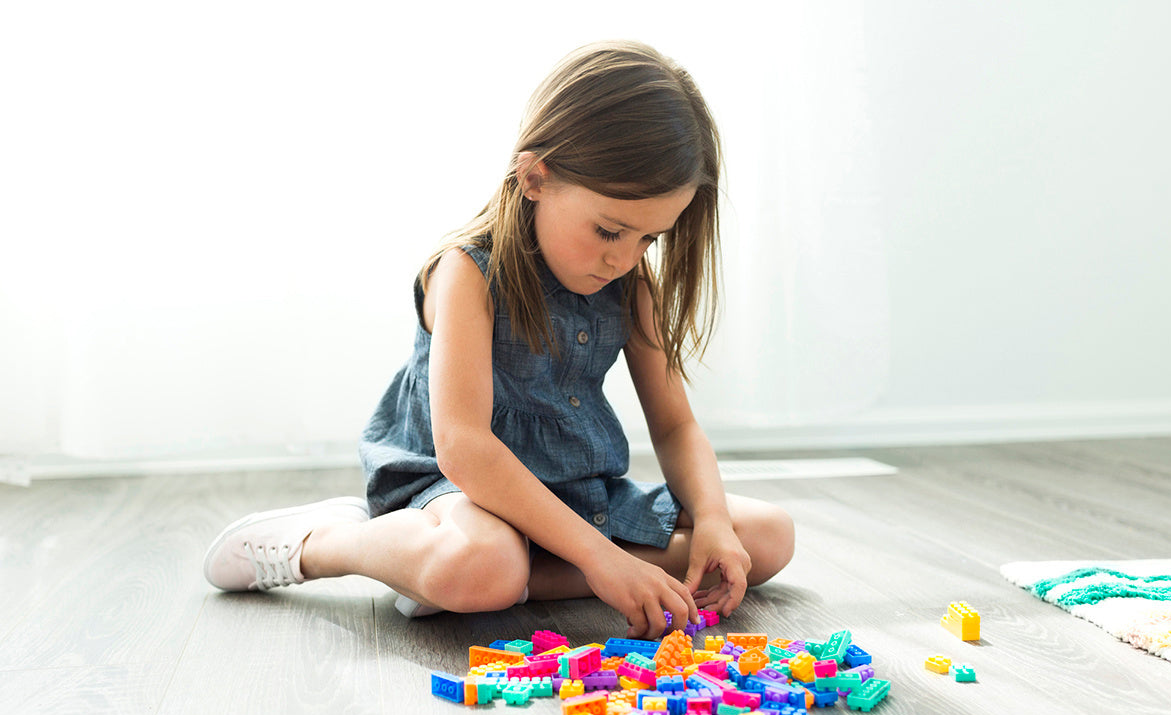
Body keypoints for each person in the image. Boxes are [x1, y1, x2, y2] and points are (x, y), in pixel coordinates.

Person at [204, 40, 795, 638]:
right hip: (454, 487)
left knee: (765, 538)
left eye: (649, 239)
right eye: (610, 230)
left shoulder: (630, 281)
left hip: (573, 496)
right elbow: (463, 449)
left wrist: (713, 519)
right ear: (535, 176)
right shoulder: (468, 272)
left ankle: (503, 574)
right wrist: (602, 559)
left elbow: (674, 428)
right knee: (485, 566)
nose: (625, 258)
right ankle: (328, 542)